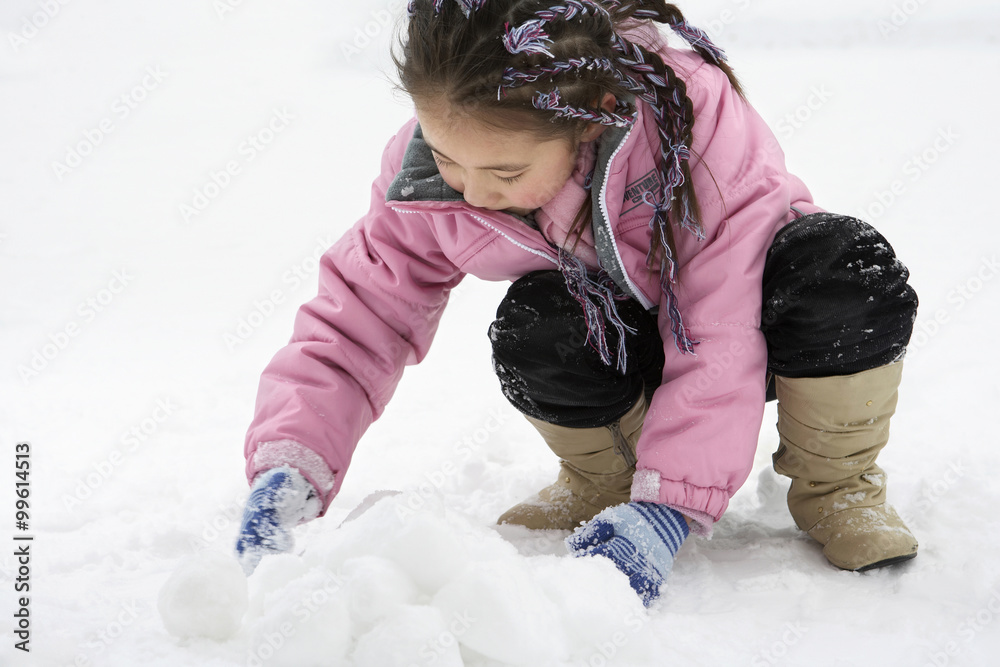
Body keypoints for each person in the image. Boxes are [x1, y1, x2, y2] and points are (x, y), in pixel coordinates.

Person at [235, 0, 919, 606]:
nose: (470, 192)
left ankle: (838, 486)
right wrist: (292, 460)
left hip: (766, 329)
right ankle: (607, 481)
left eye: (505, 172)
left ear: (590, 125)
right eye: (448, 161)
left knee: (841, 266)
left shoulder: (689, 125)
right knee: (540, 322)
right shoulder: (431, 169)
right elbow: (361, 313)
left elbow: (721, 326)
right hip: (633, 342)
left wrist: (672, 508)